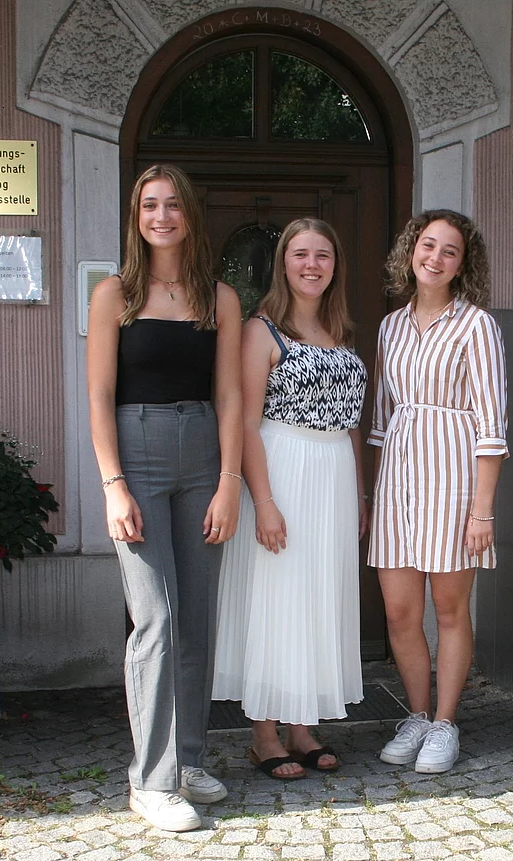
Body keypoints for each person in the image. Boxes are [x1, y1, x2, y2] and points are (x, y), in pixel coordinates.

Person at [87, 165, 243, 830]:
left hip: (203, 453)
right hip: (138, 451)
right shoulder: (113, 294)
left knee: (197, 619)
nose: (161, 215)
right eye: (149, 205)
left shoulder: (219, 297)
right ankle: (150, 780)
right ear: (136, 215)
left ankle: (189, 760)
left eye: (172, 203)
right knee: (154, 617)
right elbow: (97, 394)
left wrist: (230, 480)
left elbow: (231, 394)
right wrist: (112, 482)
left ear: (189, 214)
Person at [213, 218, 367, 780]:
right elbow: (248, 424)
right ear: (283, 262)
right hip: (281, 472)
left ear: (335, 266)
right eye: (300, 254)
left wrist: (360, 492)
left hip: (332, 477)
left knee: (317, 598)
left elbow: (351, 424)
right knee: (276, 598)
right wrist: (266, 501)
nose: (311, 265)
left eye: (322, 255)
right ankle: (264, 733)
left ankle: (303, 726)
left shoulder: (341, 331)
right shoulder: (262, 330)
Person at [368, 210, 508, 774]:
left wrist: (482, 511)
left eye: (450, 250)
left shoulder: (477, 325)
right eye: (428, 245)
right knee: (401, 613)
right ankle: (418, 716)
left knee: (450, 611)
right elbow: (380, 422)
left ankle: (447, 723)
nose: (436, 257)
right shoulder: (390, 326)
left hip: (454, 483)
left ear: (462, 264)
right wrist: (374, 496)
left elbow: (492, 427)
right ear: (410, 252)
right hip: (399, 482)